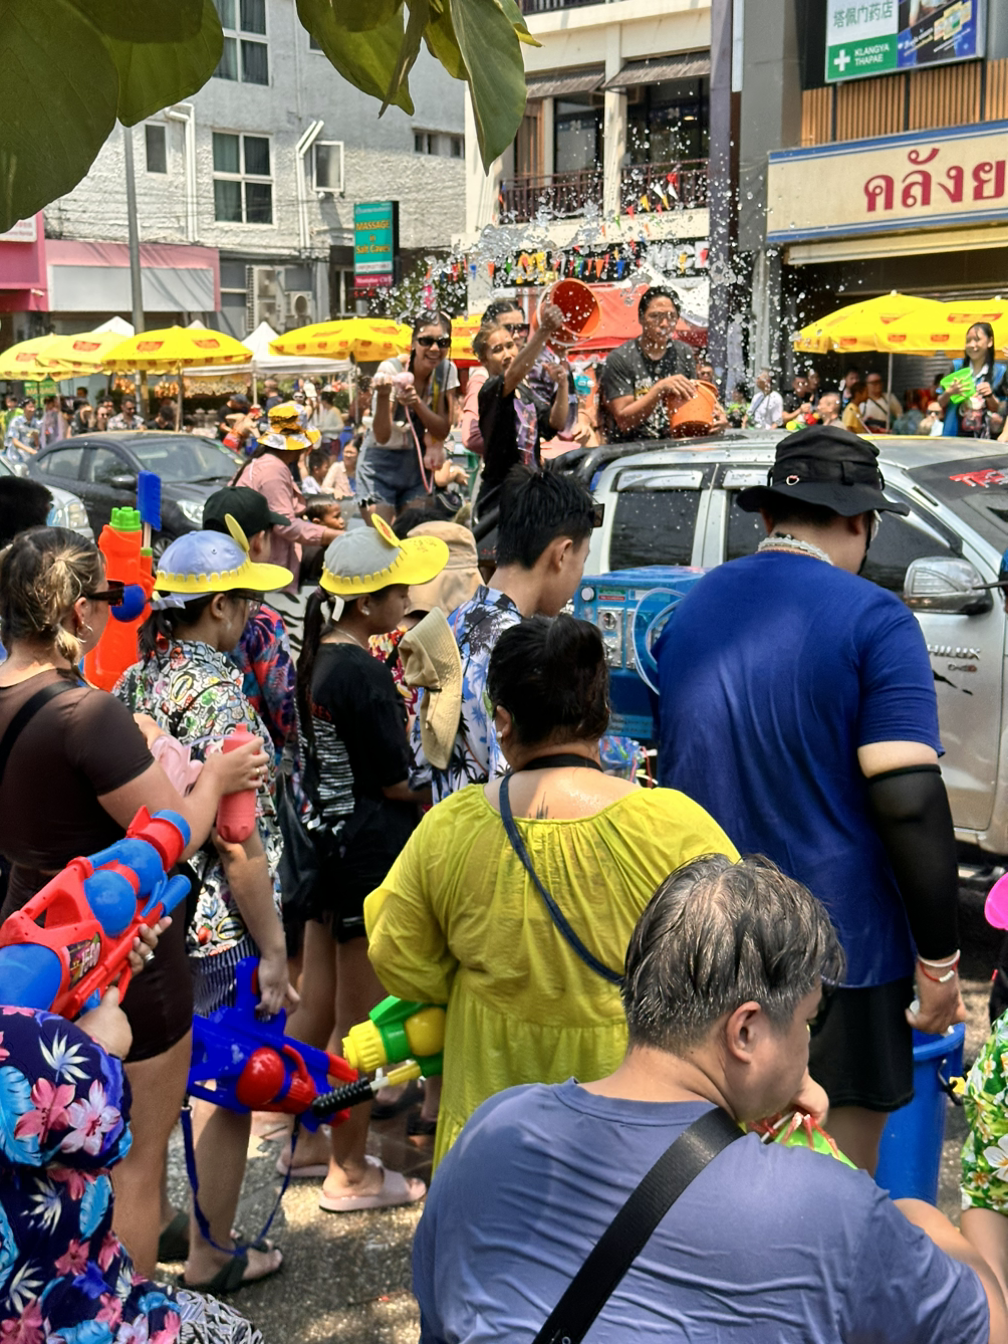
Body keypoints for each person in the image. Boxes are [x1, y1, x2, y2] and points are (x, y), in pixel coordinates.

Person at [413, 854, 1007, 1344]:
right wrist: (913, 1216)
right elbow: (989, 1329)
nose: (807, 1046)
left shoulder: (494, 1130)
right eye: (806, 1022)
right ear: (745, 1032)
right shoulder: (828, 1210)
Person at [655, 424, 965, 1174]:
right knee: (829, 1188)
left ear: (768, 516)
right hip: (841, 957)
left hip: (708, 948)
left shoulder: (689, 611)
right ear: (862, 521)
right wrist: (940, 965)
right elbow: (909, 800)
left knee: (714, 1179)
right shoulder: (875, 619)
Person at [366, 614, 738, 1165]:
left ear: (502, 721)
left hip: (490, 1121)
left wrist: (484, 983)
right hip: (634, 1130)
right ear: (602, 713)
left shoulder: (450, 829)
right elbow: (739, 961)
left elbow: (397, 956)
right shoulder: (674, 826)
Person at [0, 526, 266, 1276]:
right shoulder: (85, 715)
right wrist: (216, 780)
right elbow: (172, 834)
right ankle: (127, 1310)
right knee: (134, 1168)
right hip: (120, 954)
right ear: (80, 612)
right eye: (106, 597)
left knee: (55, 1155)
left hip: (28, 937)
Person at [116, 523, 295, 1292]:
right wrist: (276, 951)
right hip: (222, 931)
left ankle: (151, 1224)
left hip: (151, 923)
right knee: (229, 1090)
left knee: (153, 1088)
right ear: (219, 607)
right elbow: (238, 845)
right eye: (244, 601)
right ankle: (212, 1253)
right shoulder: (223, 701)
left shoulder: (136, 680)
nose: (251, 615)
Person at [277, 518, 448, 1207]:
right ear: (367, 602)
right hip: (365, 857)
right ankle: (350, 1171)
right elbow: (397, 780)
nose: (407, 598)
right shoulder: (365, 675)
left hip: (325, 848)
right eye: (398, 589)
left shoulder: (320, 656)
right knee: (363, 1024)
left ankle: (301, 1139)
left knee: (317, 1006)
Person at [0, 996, 265, 1344]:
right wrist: (101, 1047)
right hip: (73, 1316)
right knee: (231, 1332)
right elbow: (106, 1130)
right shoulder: (18, 1039)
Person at [420, 465, 599, 803]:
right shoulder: (520, 648)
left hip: (448, 823)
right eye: (582, 560)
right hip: (493, 829)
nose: (580, 577)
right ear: (562, 554)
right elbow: (514, 790)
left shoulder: (455, 620)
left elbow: (421, 763)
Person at [233, 402, 344, 633]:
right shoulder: (273, 470)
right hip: (267, 564)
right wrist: (334, 536)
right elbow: (285, 525)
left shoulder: (264, 464)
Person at [471, 304, 570, 523]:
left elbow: (555, 423)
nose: (507, 354)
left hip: (529, 495)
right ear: (484, 360)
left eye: (509, 346)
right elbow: (514, 373)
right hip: (499, 500)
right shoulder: (489, 391)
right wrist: (544, 330)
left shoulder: (525, 392)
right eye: (497, 350)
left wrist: (562, 385)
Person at [357, 311, 459, 521]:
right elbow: (381, 436)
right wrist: (384, 396)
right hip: (379, 464)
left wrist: (416, 402)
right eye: (426, 341)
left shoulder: (446, 371)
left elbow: (442, 429)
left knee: (415, 532)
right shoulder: (391, 369)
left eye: (442, 342)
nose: (434, 349)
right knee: (382, 535)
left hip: (416, 465)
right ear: (413, 343)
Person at [599, 286, 697, 441]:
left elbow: (694, 401)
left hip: (674, 446)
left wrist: (716, 417)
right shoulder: (620, 358)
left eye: (671, 316)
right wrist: (659, 389)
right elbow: (624, 421)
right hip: (632, 449)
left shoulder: (684, 353)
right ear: (641, 318)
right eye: (655, 316)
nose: (664, 324)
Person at [459, 299, 529, 455]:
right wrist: (521, 447)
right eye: (508, 328)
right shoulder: (482, 379)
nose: (516, 335)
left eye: (521, 328)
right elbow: (471, 438)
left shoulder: (528, 373)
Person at [939, 322, 1007, 439]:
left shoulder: (1000, 372)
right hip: (954, 437)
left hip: (987, 439)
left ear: (990, 342)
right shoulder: (956, 367)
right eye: (968, 341)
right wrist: (949, 392)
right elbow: (940, 402)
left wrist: (990, 396)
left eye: (977, 340)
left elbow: (1001, 409)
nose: (971, 345)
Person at [4, 397, 41, 462]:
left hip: (29, 459)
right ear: (24, 408)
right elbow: (15, 441)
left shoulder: (36, 423)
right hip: (16, 458)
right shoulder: (16, 421)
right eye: (30, 407)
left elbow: (37, 444)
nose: (32, 409)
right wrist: (30, 450)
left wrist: (36, 437)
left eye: (34, 407)